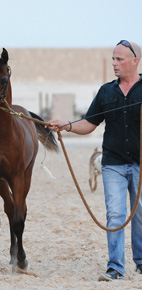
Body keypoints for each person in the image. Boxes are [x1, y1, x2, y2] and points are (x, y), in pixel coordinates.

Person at [47, 40, 142, 281]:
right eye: (113, 58)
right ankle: (116, 268)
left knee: (140, 214)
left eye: (120, 59)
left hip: (140, 163)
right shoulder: (105, 92)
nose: (114, 63)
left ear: (135, 61)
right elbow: (89, 123)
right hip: (112, 164)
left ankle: (140, 262)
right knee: (115, 215)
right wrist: (66, 125)